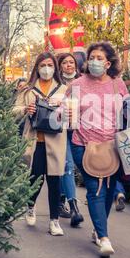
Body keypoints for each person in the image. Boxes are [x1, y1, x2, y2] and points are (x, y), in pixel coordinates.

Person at [67, 42, 129, 257]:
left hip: (112, 146)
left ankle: (97, 229)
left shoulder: (118, 84)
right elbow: (66, 114)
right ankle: (104, 238)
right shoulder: (76, 84)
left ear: (108, 63)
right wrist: (65, 114)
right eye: (91, 57)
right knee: (95, 189)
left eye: (99, 58)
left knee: (110, 190)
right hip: (83, 144)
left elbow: (127, 112)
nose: (94, 61)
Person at [13, 52, 68, 236]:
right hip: (35, 140)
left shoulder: (63, 89)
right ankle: (30, 206)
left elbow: (72, 117)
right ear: (37, 67)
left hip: (55, 142)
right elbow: (14, 110)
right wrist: (25, 109)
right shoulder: (28, 90)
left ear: (55, 68)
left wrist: (63, 111)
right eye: (43, 65)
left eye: (50, 65)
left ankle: (54, 221)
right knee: (35, 178)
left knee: (54, 180)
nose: (47, 69)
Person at [56, 53, 84, 227]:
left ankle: (59, 200)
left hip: (80, 130)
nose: (68, 65)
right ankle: (74, 207)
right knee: (67, 166)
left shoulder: (83, 83)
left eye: (71, 62)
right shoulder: (57, 85)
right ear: (60, 66)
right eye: (65, 62)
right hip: (61, 130)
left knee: (69, 166)